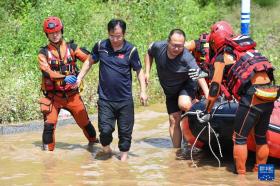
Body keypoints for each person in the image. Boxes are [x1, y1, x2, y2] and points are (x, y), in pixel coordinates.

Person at [199, 21, 278, 174]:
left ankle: (241, 179)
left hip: (253, 95)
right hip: (270, 93)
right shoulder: (247, 50)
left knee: (239, 138)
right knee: (261, 137)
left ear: (215, 40)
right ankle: (262, 176)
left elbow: (214, 89)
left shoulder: (222, 57)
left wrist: (207, 110)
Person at [77, 19, 147, 161]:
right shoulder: (100, 46)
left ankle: (123, 162)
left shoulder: (131, 50)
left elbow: (139, 71)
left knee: (125, 133)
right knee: (105, 131)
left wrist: (143, 91)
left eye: (119, 36)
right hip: (105, 99)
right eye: (112, 36)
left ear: (124, 34)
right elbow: (89, 61)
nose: (115, 39)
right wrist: (79, 78)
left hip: (125, 100)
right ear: (108, 33)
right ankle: (107, 150)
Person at [38, 16, 98, 151]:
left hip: (72, 95)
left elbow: (90, 59)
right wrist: (63, 78)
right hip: (53, 97)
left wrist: (101, 51)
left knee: (85, 123)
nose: (54, 35)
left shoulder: (72, 48)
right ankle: (47, 156)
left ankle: (95, 145)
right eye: (51, 33)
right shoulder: (43, 53)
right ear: (47, 34)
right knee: (49, 126)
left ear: (61, 31)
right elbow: (47, 72)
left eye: (57, 32)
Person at [144, 29, 209, 148]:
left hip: (186, 84)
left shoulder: (186, 57)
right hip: (170, 91)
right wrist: (147, 72)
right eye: (174, 45)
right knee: (174, 120)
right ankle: (177, 152)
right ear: (168, 41)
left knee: (183, 104)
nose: (177, 49)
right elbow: (149, 51)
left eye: (180, 46)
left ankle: (194, 114)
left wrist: (209, 95)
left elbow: (199, 75)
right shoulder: (159, 47)